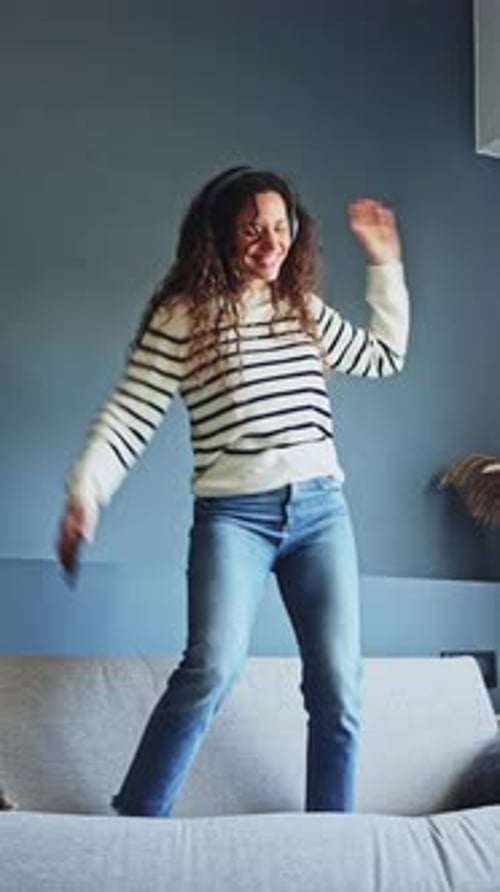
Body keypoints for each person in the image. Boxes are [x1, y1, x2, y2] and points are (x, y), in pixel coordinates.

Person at [56, 165, 410, 817]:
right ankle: (134, 822)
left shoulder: (302, 308)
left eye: (280, 229)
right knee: (211, 668)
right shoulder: (184, 316)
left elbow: (384, 355)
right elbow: (131, 413)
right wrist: (87, 493)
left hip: (321, 515)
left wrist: (385, 265)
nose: (271, 244)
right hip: (233, 519)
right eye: (253, 231)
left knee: (339, 687)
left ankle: (329, 844)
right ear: (218, 236)